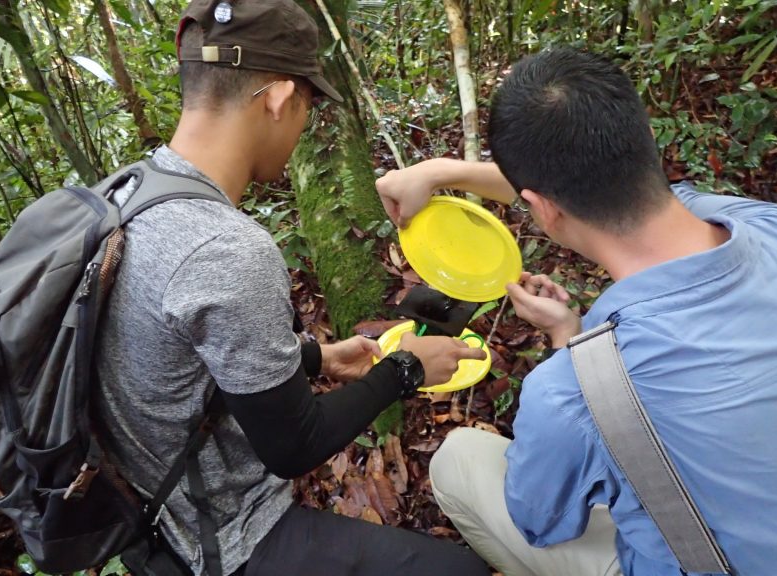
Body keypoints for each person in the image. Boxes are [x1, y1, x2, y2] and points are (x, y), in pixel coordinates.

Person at [376, 47, 777, 576]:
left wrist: (572, 352)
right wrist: (440, 173)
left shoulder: (569, 393)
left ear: (542, 209)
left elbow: (541, 522)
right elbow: (589, 181)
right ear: (643, 141)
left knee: (458, 460)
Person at [92, 1, 490, 575]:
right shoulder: (224, 248)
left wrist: (315, 358)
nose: (302, 125)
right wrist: (403, 370)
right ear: (279, 98)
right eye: (306, 104)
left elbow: (178, 352)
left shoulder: (127, 190)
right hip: (216, 543)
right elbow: (294, 448)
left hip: (147, 511)